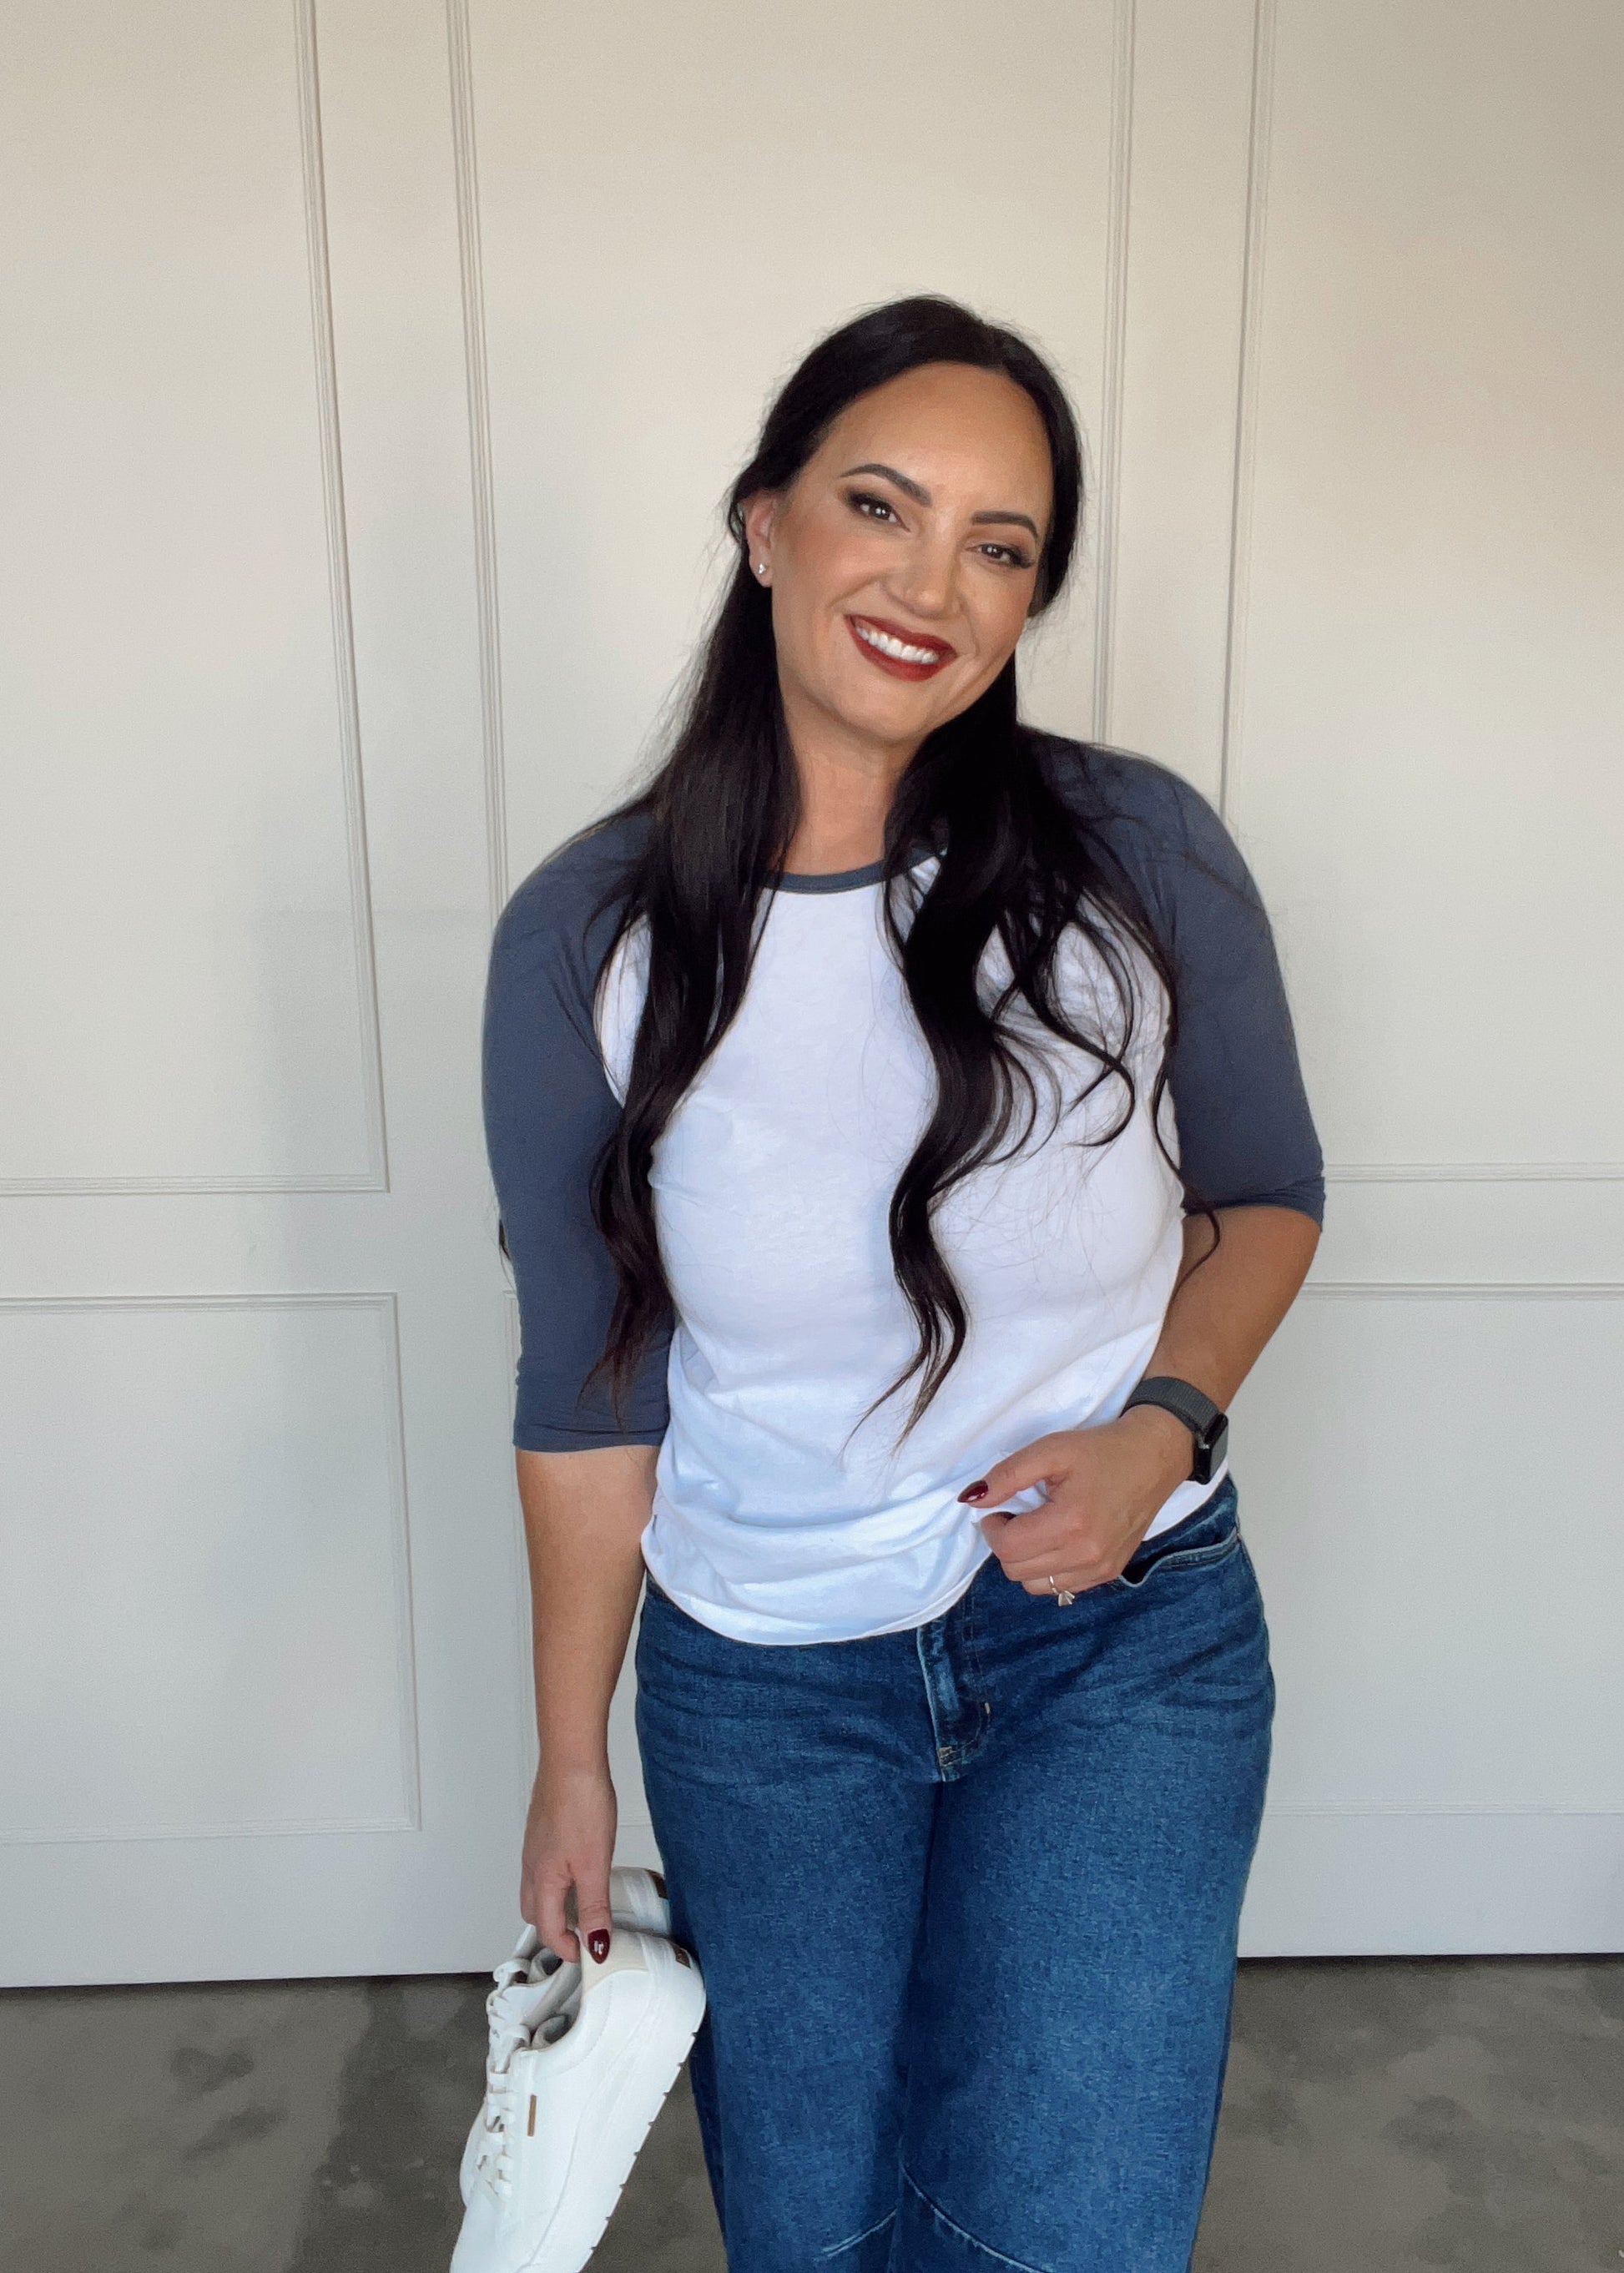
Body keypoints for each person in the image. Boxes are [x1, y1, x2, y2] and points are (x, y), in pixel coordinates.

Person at [482, 294, 1323, 2271]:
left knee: (1068, 2228)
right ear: (764, 520)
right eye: (880, 505)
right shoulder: (587, 937)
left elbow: (1267, 1193)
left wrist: (1159, 1429)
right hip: (766, 1675)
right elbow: (589, 1382)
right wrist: (571, 1757)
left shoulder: (1137, 855)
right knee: (818, 2225)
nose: (932, 582)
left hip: (1118, 1640)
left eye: (1001, 545)